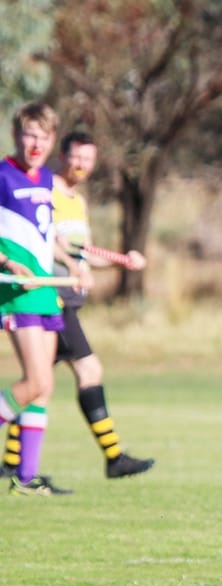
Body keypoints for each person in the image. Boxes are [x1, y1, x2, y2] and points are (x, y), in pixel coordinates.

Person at [1, 130, 154, 480]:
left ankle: (13, 463)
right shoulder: (44, 189)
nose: (82, 165)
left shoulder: (77, 201)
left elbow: (81, 254)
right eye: (77, 157)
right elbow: (48, 246)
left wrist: (119, 262)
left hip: (65, 297)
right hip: (48, 297)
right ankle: (113, 457)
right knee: (84, 372)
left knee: (38, 384)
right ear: (63, 155)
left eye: (89, 159)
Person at [0, 102, 70, 496]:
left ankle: (26, 478)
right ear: (17, 134)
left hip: (45, 292)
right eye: (29, 134)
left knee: (45, 389)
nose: (36, 143)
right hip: (16, 291)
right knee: (36, 379)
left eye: (43, 136)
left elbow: (47, 235)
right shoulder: (2, 175)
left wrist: (74, 266)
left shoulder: (46, 178)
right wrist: (9, 262)